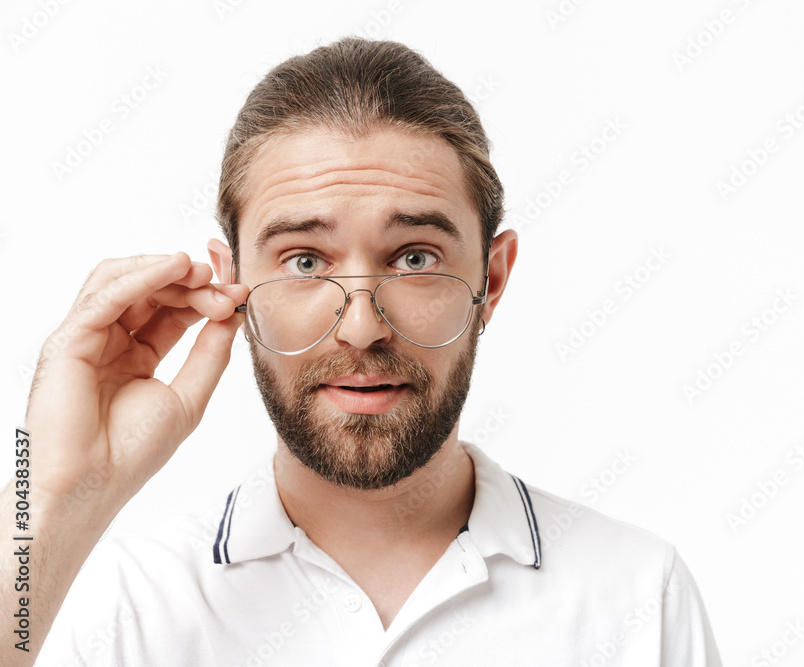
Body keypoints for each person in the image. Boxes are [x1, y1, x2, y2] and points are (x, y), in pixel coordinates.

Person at [2, 37, 722, 666]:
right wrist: (54, 499)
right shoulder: (116, 604)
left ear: (491, 280)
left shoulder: (637, 596)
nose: (361, 327)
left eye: (414, 257)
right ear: (233, 285)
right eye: (306, 262)